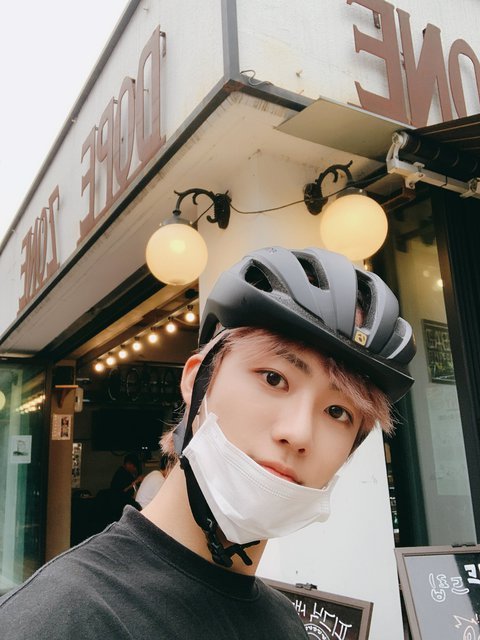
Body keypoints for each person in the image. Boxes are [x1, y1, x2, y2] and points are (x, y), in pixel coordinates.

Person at [0, 246, 415, 639]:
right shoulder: (63, 615)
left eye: (338, 412)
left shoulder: (286, 622)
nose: (299, 433)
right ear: (196, 379)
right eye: (274, 379)